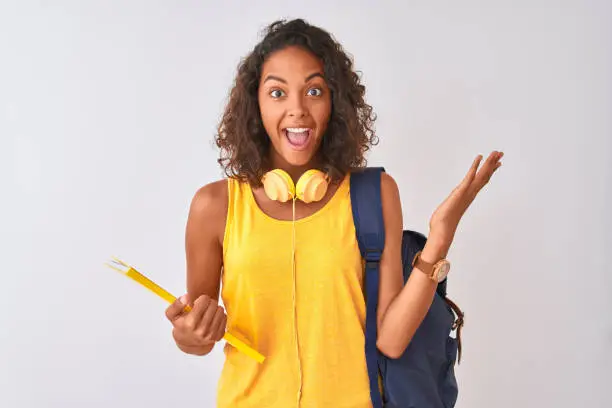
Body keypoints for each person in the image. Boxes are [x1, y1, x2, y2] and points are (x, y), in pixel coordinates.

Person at [164, 18, 503, 408]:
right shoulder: (214, 206)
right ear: (255, 105)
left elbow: (391, 340)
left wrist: (441, 235)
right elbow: (195, 337)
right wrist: (189, 334)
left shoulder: (374, 194)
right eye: (277, 92)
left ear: (334, 102)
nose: (297, 110)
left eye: (313, 90)